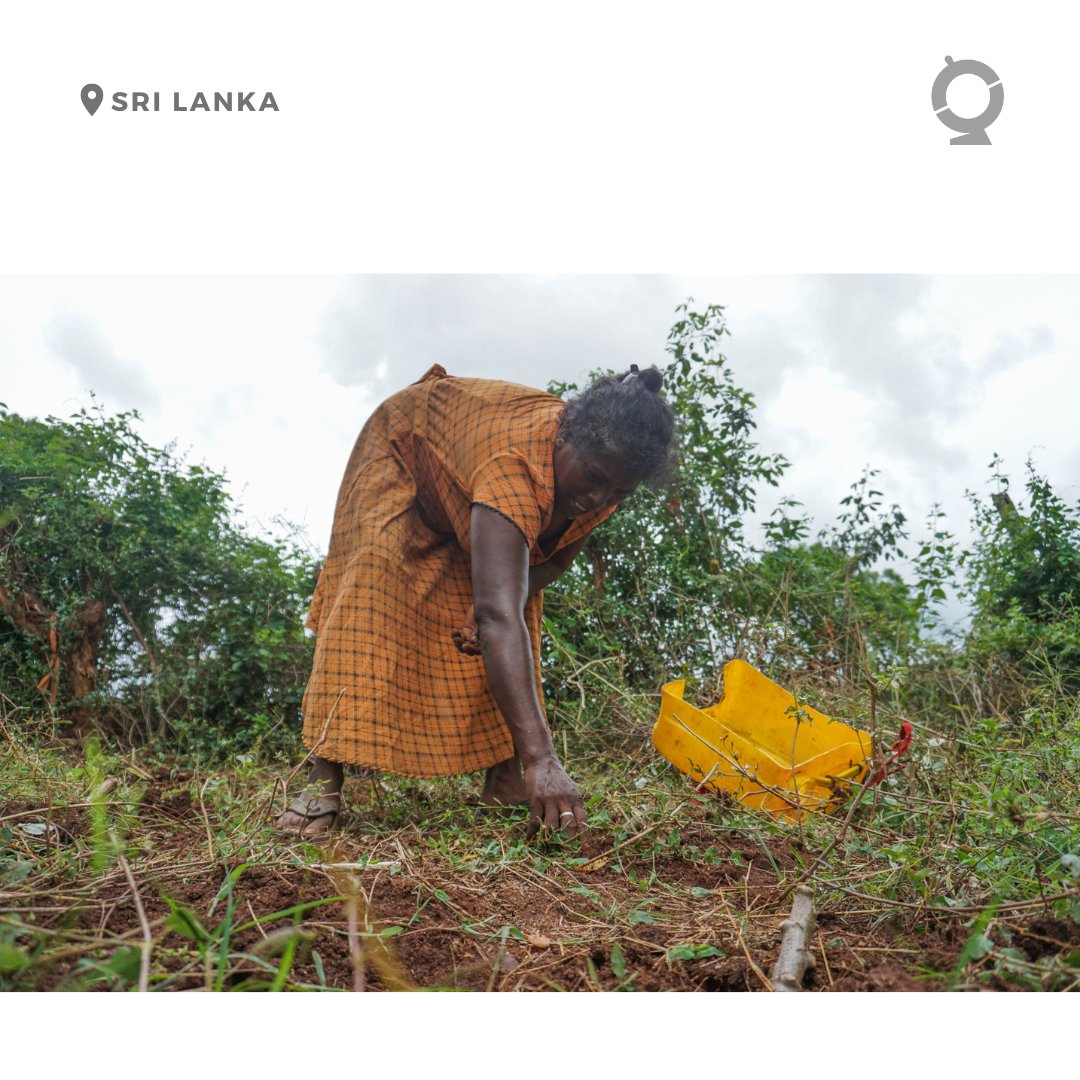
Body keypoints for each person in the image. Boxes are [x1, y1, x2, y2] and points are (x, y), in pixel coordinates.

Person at [276, 362, 675, 838]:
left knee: (516, 603)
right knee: (372, 587)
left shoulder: (601, 484)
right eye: (593, 477)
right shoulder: (516, 465)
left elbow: (550, 564)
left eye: (617, 492)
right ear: (565, 438)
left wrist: (487, 610)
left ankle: (507, 778)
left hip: (470, 483)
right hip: (402, 448)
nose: (597, 498)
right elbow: (496, 615)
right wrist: (544, 757)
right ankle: (323, 785)